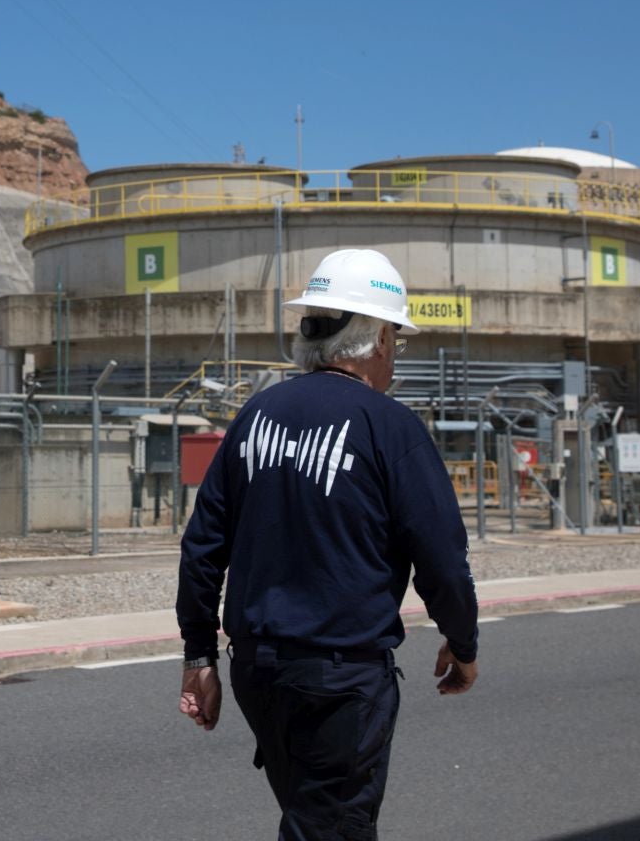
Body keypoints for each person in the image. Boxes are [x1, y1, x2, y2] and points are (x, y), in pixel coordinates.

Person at [174, 248, 480, 840]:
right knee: (331, 830)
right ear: (379, 340)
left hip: (259, 676)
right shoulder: (389, 426)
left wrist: (198, 658)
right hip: (340, 682)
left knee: (312, 819)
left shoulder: (255, 415)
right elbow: (442, 556)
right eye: (397, 339)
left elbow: (202, 547)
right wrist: (462, 643)